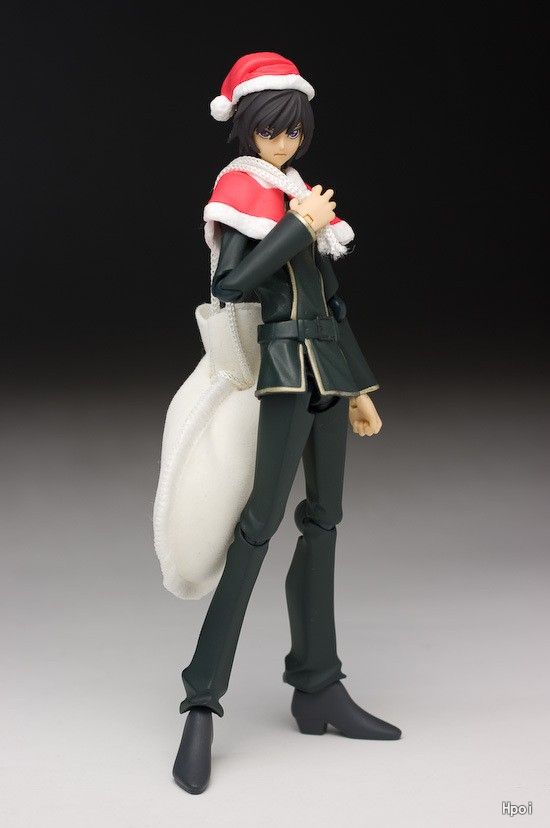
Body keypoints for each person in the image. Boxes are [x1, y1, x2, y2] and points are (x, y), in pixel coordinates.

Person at [173, 52, 401, 795]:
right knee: (257, 528)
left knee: (325, 521)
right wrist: (298, 227)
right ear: (245, 127)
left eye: (293, 130)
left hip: (328, 371)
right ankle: (202, 700)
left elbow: (332, 303)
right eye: (271, 130)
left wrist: (359, 386)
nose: (283, 142)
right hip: (280, 370)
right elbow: (229, 284)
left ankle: (317, 684)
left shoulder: (296, 192)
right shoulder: (242, 187)